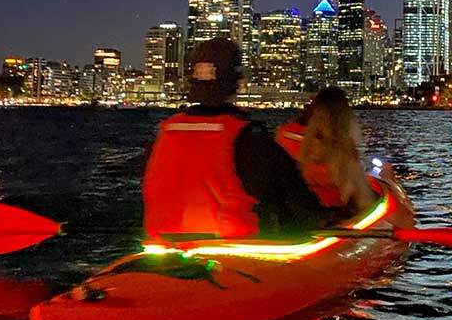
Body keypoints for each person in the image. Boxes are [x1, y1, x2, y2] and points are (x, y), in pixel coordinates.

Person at [142, 38, 335, 240]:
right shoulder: (249, 141)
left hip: (163, 248)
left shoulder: (164, 134)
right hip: (231, 253)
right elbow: (303, 208)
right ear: (237, 84)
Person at [276, 87, 377, 214]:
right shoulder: (343, 148)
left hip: (292, 211)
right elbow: (362, 196)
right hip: (327, 213)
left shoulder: (285, 133)